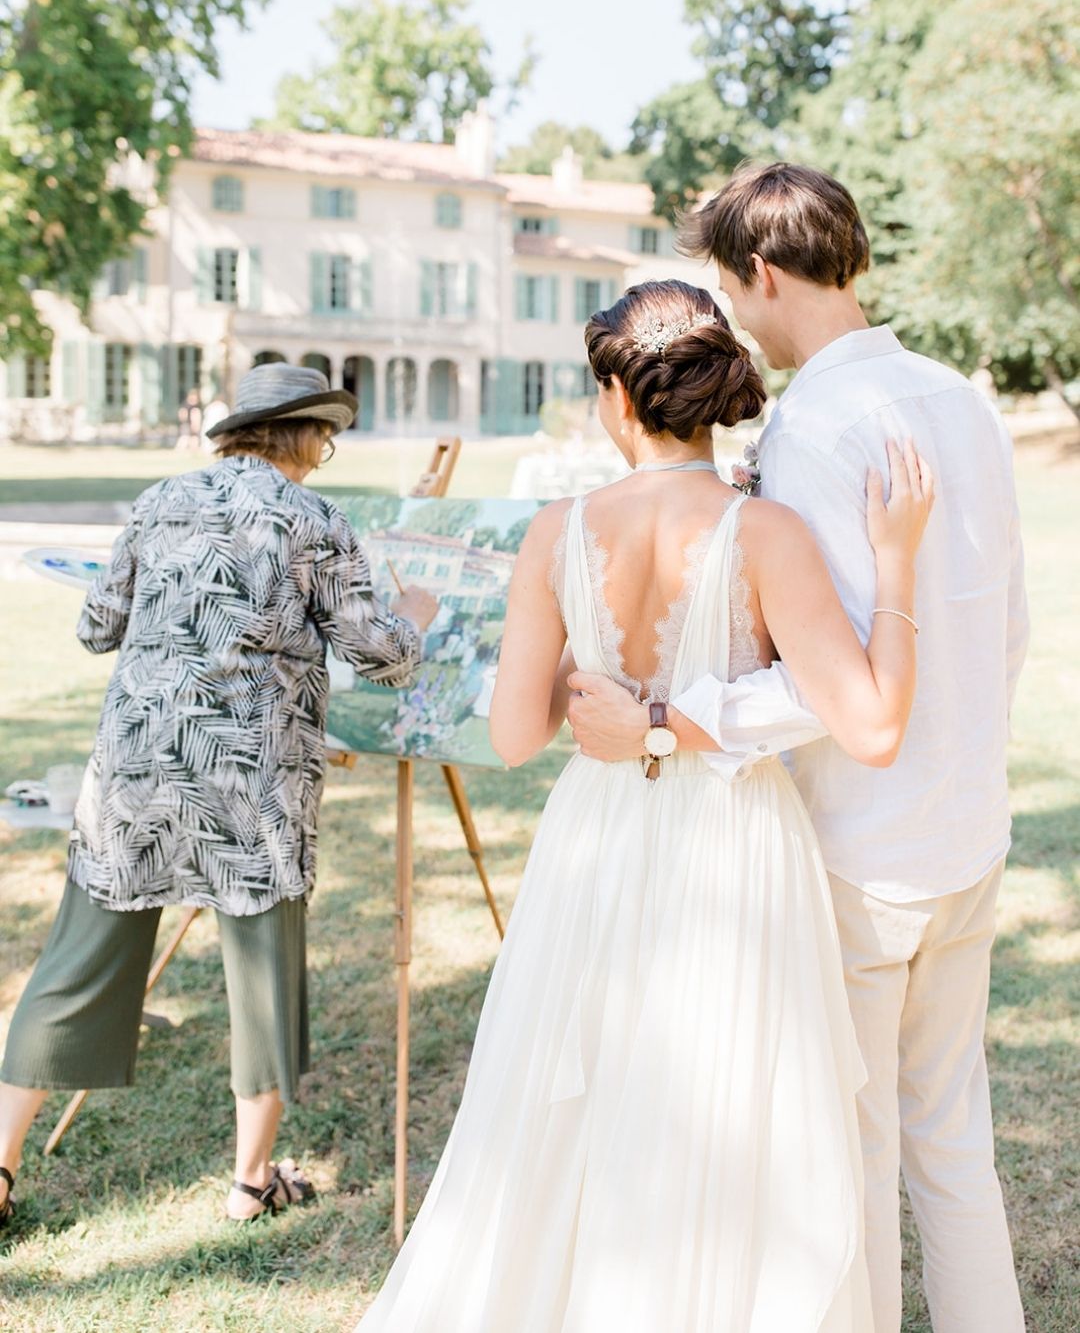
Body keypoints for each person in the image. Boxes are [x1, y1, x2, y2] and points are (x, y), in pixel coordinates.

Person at [355, 279, 934, 1331]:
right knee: (724, 1105)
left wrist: (588, 655)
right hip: (735, 838)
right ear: (711, 393)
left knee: (584, 1092)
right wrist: (896, 564)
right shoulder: (768, 531)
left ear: (618, 401)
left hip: (599, 834)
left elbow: (515, 735)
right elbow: (871, 725)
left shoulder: (555, 532)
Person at [568, 165, 1028, 1333]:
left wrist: (669, 722)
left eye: (733, 287)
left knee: (855, 1154)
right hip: (968, 826)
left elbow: (815, 685)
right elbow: (1006, 622)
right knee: (953, 1143)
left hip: (859, 847)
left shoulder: (814, 429)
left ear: (761, 274)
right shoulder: (961, 402)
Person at [0, 364, 437, 1229]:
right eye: (327, 435)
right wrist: (413, 614)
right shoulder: (315, 519)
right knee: (263, 973)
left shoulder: (160, 499)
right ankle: (249, 1182)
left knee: (74, 963)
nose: (329, 450)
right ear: (304, 435)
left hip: (135, 772)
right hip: (250, 781)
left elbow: (96, 628)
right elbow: (380, 657)